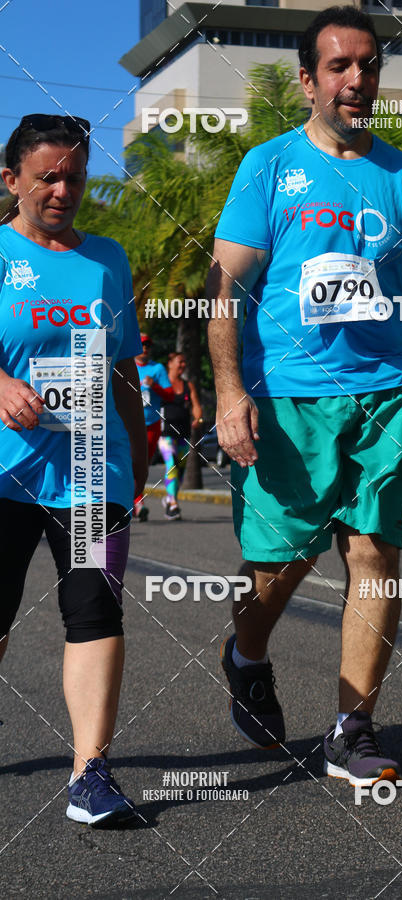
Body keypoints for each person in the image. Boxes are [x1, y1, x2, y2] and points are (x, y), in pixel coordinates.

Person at [207, 5, 402, 787]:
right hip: (289, 398)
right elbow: (225, 292)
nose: (356, 80)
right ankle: (246, 654)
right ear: (308, 80)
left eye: (368, 65)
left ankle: (352, 728)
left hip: (385, 392)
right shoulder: (267, 168)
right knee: (281, 565)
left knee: (374, 554)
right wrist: (231, 393)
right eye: (339, 67)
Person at [0, 113, 147, 824]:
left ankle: (91, 773)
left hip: (94, 470)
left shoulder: (107, 260)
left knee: (93, 609)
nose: (63, 189)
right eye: (47, 176)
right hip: (6, 474)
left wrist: (140, 453)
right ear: (12, 181)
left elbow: (122, 367)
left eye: (75, 177)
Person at [158, 351, 204, 520]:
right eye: (180, 361)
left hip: (184, 434)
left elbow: (196, 405)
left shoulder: (187, 385)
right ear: (170, 363)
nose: (183, 365)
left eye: (184, 362)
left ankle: (171, 500)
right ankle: (173, 504)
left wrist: (198, 418)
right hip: (165, 434)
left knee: (180, 471)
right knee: (171, 465)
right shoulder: (162, 384)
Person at [133, 333, 173, 521]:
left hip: (151, 424)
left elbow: (170, 395)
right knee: (127, 463)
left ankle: (135, 501)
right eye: (142, 344)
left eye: (148, 344)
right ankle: (137, 502)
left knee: (143, 464)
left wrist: (154, 385)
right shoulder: (125, 365)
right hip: (129, 423)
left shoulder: (157, 368)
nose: (145, 348)